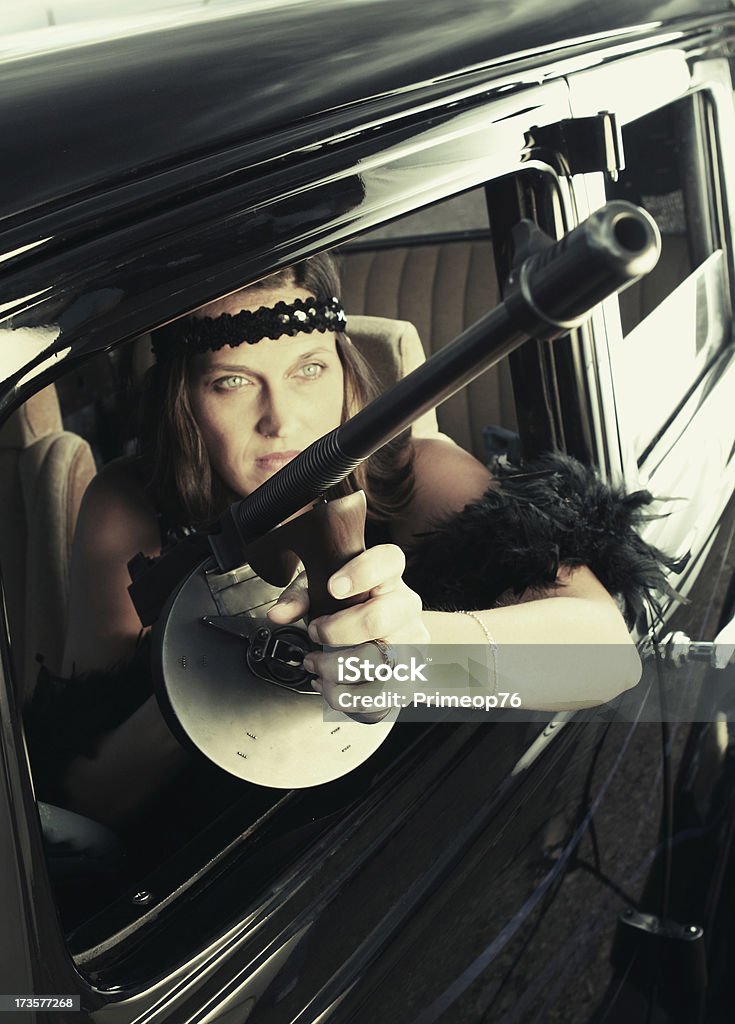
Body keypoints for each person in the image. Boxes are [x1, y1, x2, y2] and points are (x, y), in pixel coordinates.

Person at [28, 252, 667, 829]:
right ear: (183, 402)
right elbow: (91, 793)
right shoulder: (132, 505)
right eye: (233, 381)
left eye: (308, 369)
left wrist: (418, 653)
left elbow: (605, 655)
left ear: (343, 369)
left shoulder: (415, 472)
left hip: (402, 829)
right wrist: (220, 673)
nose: (282, 418)